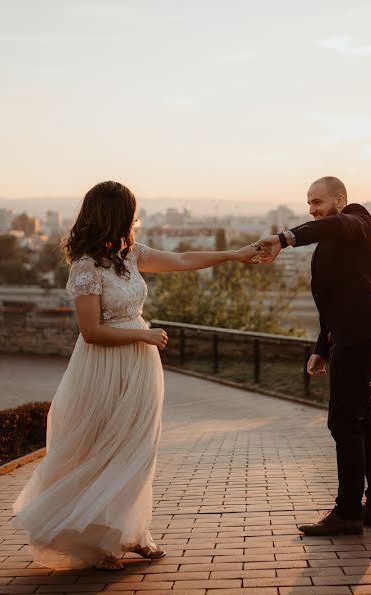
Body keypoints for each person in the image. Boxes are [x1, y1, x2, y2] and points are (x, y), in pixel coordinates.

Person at [13, 181, 264, 570]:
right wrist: (143, 334)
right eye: (130, 212)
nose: (135, 219)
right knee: (103, 449)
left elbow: (182, 260)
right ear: (115, 216)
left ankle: (134, 533)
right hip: (103, 368)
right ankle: (102, 543)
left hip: (139, 366)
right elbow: (91, 332)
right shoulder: (85, 267)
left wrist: (234, 255)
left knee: (139, 450)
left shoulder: (130, 256)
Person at [256, 176, 371, 536]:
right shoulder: (331, 242)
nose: (312, 210)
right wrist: (322, 349)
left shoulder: (358, 220)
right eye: (308, 204)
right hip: (352, 337)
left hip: (362, 336)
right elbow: (335, 303)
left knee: (343, 421)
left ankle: (348, 511)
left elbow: (341, 224)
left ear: (340, 199)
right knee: (362, 418)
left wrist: (284, 238)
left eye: (318, 202)